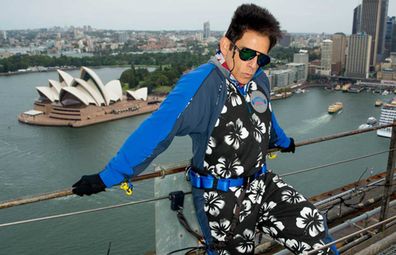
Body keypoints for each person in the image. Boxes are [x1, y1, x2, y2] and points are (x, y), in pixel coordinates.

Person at [72, 4, 338, 255]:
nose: (252, 64)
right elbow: (157, 129)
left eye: (261, 58)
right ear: (226, 45)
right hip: (220, 198)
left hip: (261, 184)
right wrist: (109, 175)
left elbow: (265, 116)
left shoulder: (259, 80)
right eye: (246, 53)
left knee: (312, 225)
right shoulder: (201, 85)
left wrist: (281, 140)